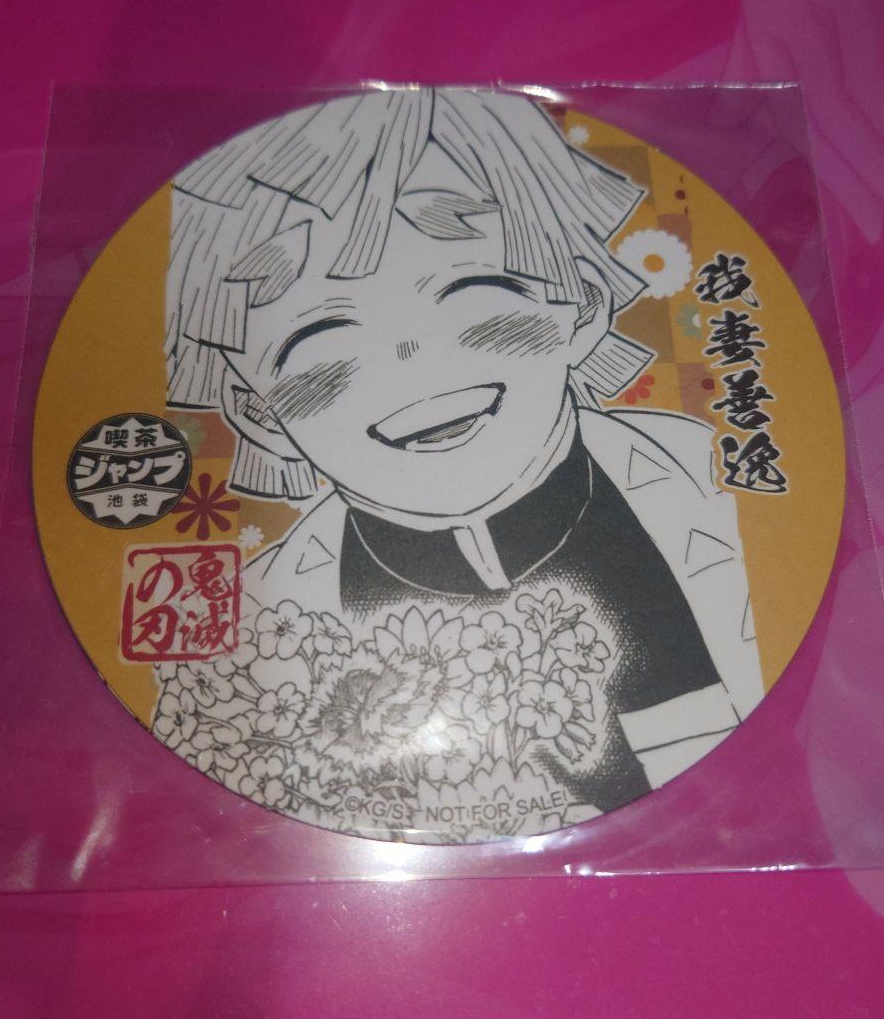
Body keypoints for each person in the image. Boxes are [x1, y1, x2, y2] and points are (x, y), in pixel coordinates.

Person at [163, 89, 762, 833]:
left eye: (473, 291)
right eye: (318, 338)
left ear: (581, 304)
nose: (412, 359)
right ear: (260, 414)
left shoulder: (726, 488)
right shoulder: (262, 625)